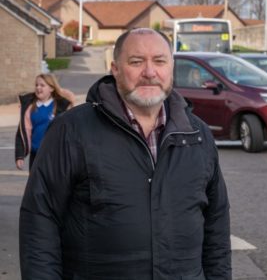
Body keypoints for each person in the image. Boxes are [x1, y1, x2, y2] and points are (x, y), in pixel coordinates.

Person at [19, 28, 232, 279]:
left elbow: (216, 227)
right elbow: (40, 219)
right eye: (136, 61)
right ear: (115, 69)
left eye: (160, 61)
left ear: (171, 68)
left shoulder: (197, 135)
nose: (150, 72)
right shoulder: (71, 130)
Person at [15, 73, 74, 170]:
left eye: (42, 85)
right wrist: (19, 156)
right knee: (36, 184)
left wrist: (63, 94)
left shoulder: (60, 106)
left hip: (55, 155)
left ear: (51, 88)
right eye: (36, 85)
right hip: (36, 155)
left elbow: (70, 128)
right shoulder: (30, 108)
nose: (38, 88)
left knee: (53, 183)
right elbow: (22, 133)